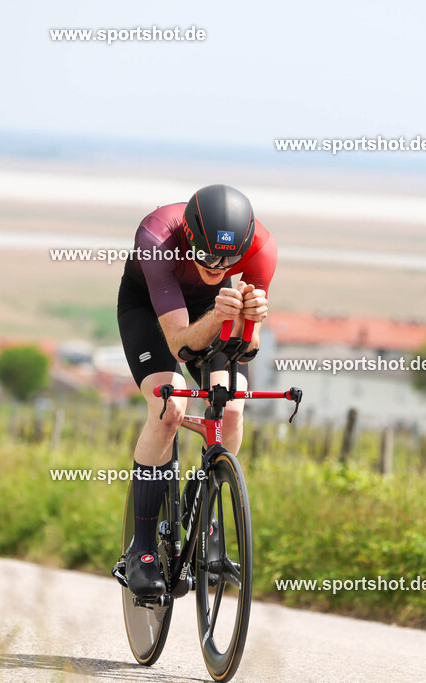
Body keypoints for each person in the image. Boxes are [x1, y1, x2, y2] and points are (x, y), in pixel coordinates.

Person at [117, 184, 276, 597]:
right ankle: (143, 549)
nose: (217, 266)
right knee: (169, 405)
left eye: (229, 260)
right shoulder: (157, 237)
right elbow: (181, 344)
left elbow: (248, 348)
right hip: (152, 311)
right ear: (190, 237)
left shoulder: (261, 248)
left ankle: (210, 519)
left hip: (213, 307)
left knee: (232, 407)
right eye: (207, 256)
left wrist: (249, 322)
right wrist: (226, 314)